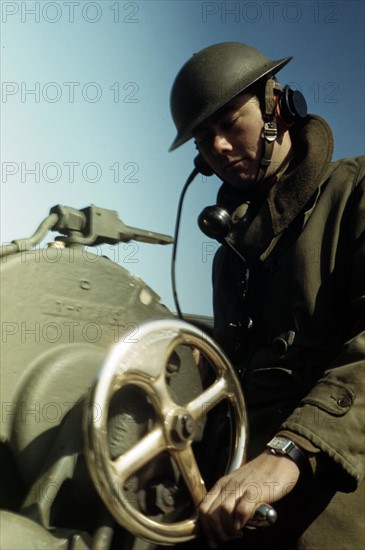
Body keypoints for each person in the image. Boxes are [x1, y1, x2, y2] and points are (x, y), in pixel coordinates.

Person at [169, 42, 365, 549]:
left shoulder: (355, 195)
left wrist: (288, 452)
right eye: (206, 140)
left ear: (277, 107)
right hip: (230, 516)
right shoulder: (229, 256)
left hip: (328, 516)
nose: (221, 148)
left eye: (232, 124)